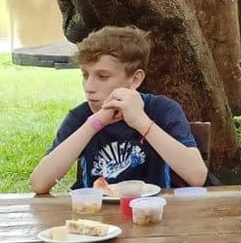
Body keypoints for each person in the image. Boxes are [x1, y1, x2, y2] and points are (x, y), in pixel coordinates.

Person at [29, 25, 208, 194]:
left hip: (148, 213)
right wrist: (94, 125)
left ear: (135, 79)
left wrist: (141, 122)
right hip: (95, 217)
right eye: (85, 75)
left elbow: (197, 176)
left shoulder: (162, 109)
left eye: (103, 76)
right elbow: (39, 183)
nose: (89, 86)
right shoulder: (81, 117)